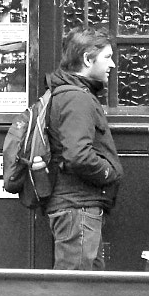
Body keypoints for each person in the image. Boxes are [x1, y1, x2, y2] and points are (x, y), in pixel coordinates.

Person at [43, 26, 122, 270]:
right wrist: (109, 173)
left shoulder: (69, 94)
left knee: (86, 288)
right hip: (78, 208)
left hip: (76, 207)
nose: (112, 65)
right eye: (107, 57)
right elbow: (78, 155)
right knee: (75, 289)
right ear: (88, 59)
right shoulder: (77, 98)